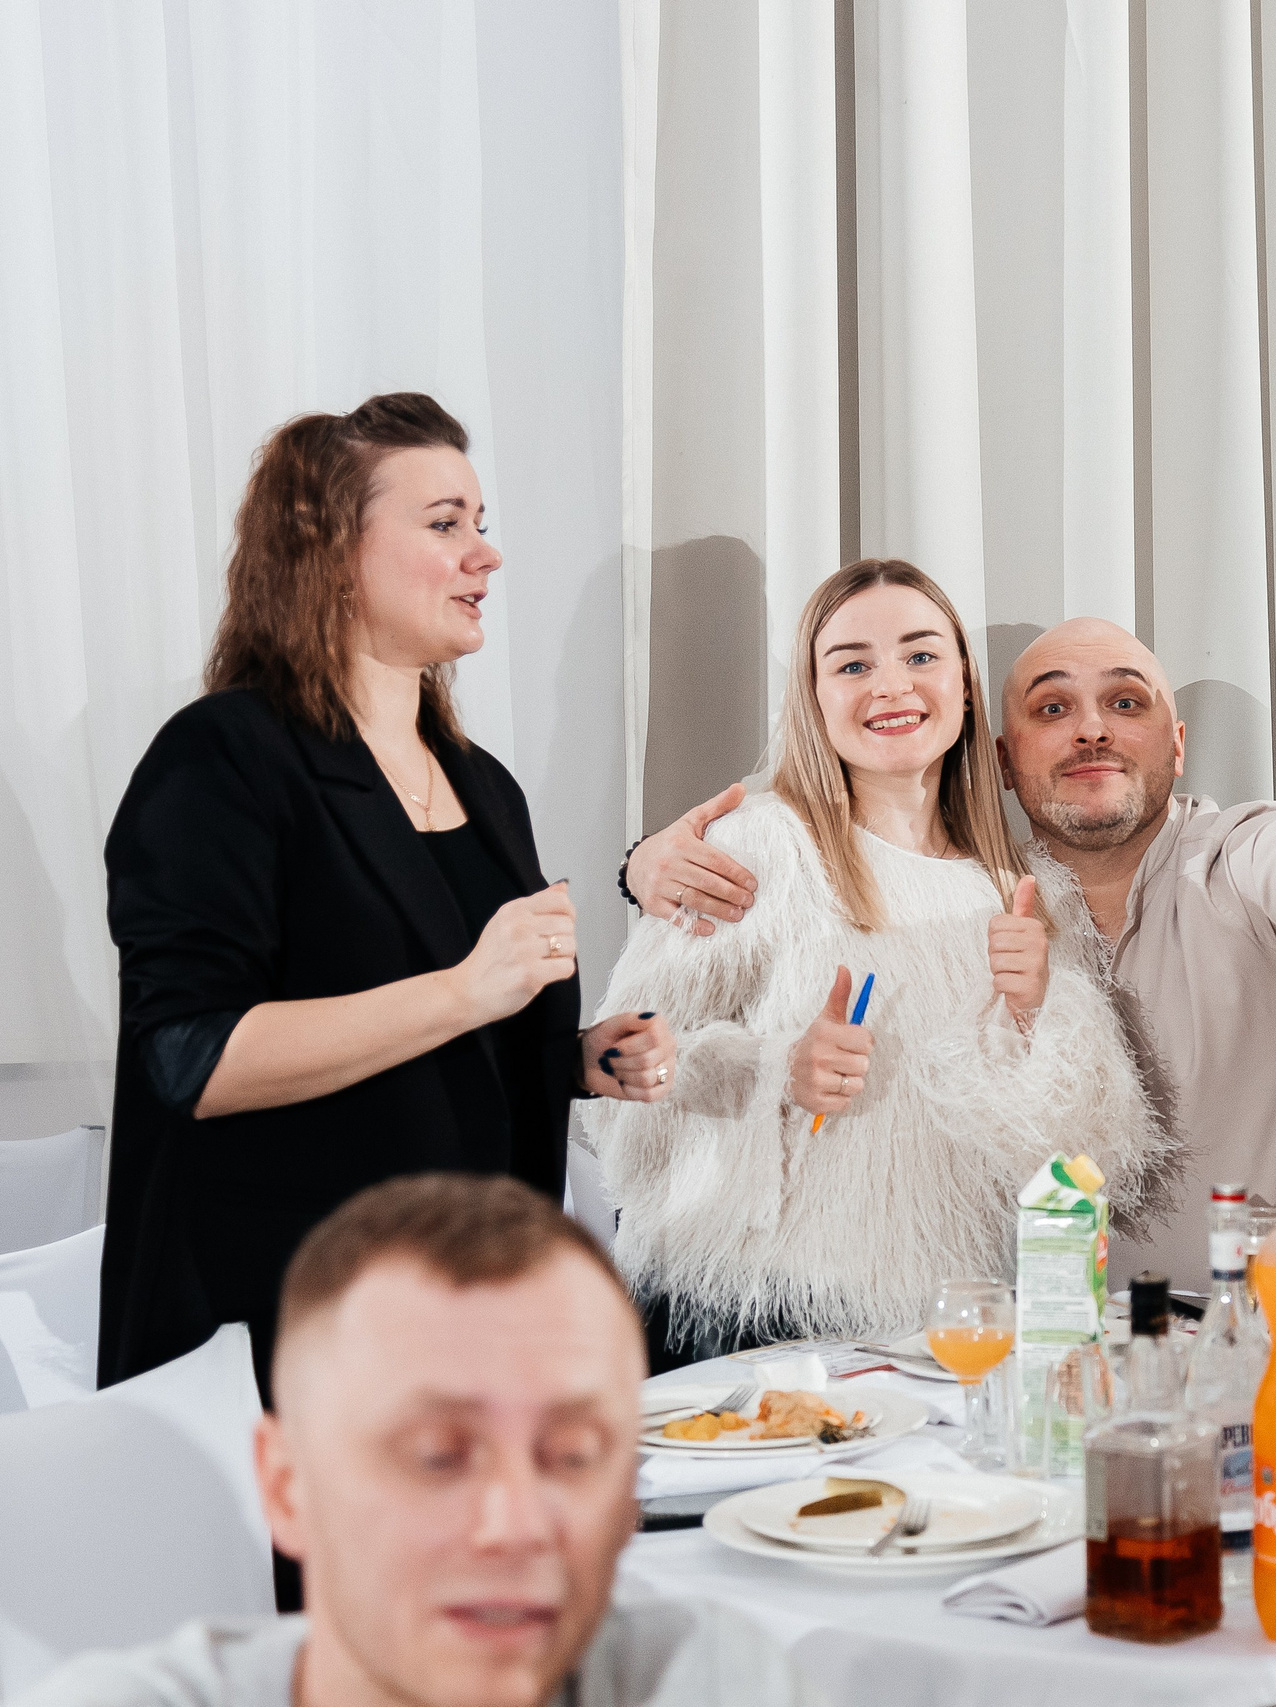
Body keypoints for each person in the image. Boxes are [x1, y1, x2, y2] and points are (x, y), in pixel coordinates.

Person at [621, 616, 1276, 1292]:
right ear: (1000, 755)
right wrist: (641, 869)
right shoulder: (964, 902)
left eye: (1125, 702)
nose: (1091, 728)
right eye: (1053, 706)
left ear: (1177, 746)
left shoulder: (1243, 860)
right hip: (1075, 1370)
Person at [100, 394, 670, 1396]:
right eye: (445, 524)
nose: (484, 557)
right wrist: (465, 990)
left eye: (481, 526)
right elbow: (192, 1058)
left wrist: (575, 1061)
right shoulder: (223, 758)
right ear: (327, 548)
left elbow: (460, 1043)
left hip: (473, 1317)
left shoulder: (483, 784)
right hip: (296, 1331)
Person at [582, 564, 1170, 1364]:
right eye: (853, 664)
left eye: (921, 656)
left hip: (937, 1340)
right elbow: (611, 1072)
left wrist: (1036, 1008)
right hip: (745, 1326)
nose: (891, 685)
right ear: (815, 698)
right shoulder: (757, 847)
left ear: (964, 684)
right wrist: (774, 1070)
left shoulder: (1018, 891)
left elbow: (1089, 1161)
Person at [19, 1173, 809, 1707]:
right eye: (436, 1455)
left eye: (573, 1454)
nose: (517, 1523)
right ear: (287, 1487)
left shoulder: (701, 1675)